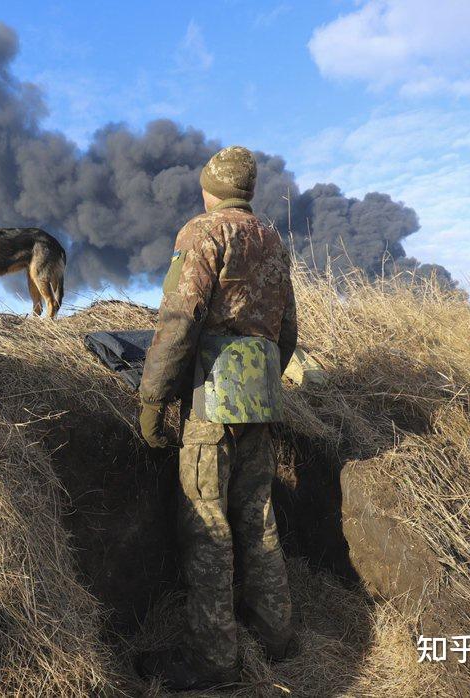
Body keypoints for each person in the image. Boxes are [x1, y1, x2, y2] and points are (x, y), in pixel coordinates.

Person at [137, 146, 300, 690]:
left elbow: (180, 318)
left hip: (211, 404)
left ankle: (213, 661)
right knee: (258, 517)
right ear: (247, 191)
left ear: (210, 189)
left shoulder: (203, 232)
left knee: (207, 526)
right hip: (261, 401)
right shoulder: (273, 240)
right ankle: (276, 637)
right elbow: (287, 333)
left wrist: (152, 398)